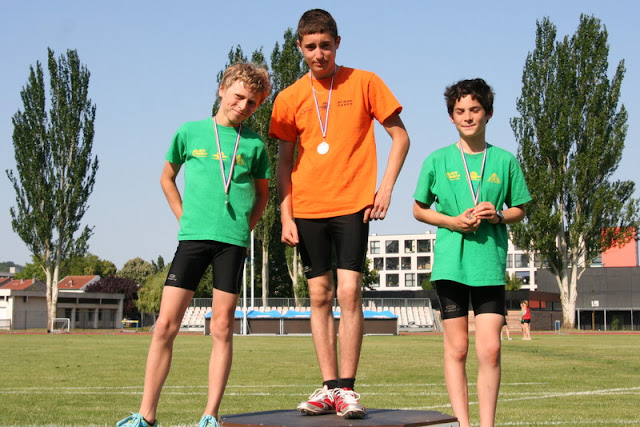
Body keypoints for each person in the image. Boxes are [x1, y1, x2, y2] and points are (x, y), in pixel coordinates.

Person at [269, 8, 410, 419]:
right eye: (311, 47)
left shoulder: (365, 82)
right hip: (308, 208)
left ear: (338, 44)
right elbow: (283, 162)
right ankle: (328, 387)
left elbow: (400, 137)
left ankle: (347, 389)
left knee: (348, 292)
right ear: (300, 47)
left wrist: (385, 188)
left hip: (353, 204)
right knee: (318, 295)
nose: (319, 54)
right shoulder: (289, 98)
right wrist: (286, 215)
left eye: (326, 46)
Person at [117, 63, 272, 427]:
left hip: (231, 244)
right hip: (192, 239)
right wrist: (183, 217)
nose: (243, 106)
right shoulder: (189, 132)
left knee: (222, 328)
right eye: (239, 97)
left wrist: (243, 228)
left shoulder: (254, 144)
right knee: (165, 326)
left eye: (252, 103)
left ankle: (210, 415)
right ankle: (146, 415)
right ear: (222, 90)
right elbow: (166, 177)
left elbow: (263, 195)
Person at [413, 78, 531, 427]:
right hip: (450, 265)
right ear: (451, 116)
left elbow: (520, 209)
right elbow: (419, 209)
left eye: (474, 110)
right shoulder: (437, 160)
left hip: (488, 265)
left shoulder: (504, 160)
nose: (467, 117)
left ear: (488, 113)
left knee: (490, 349)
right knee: (458, 348)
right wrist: (452, 221)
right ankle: (463, 424)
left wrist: (498, 215)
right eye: (460, 110)